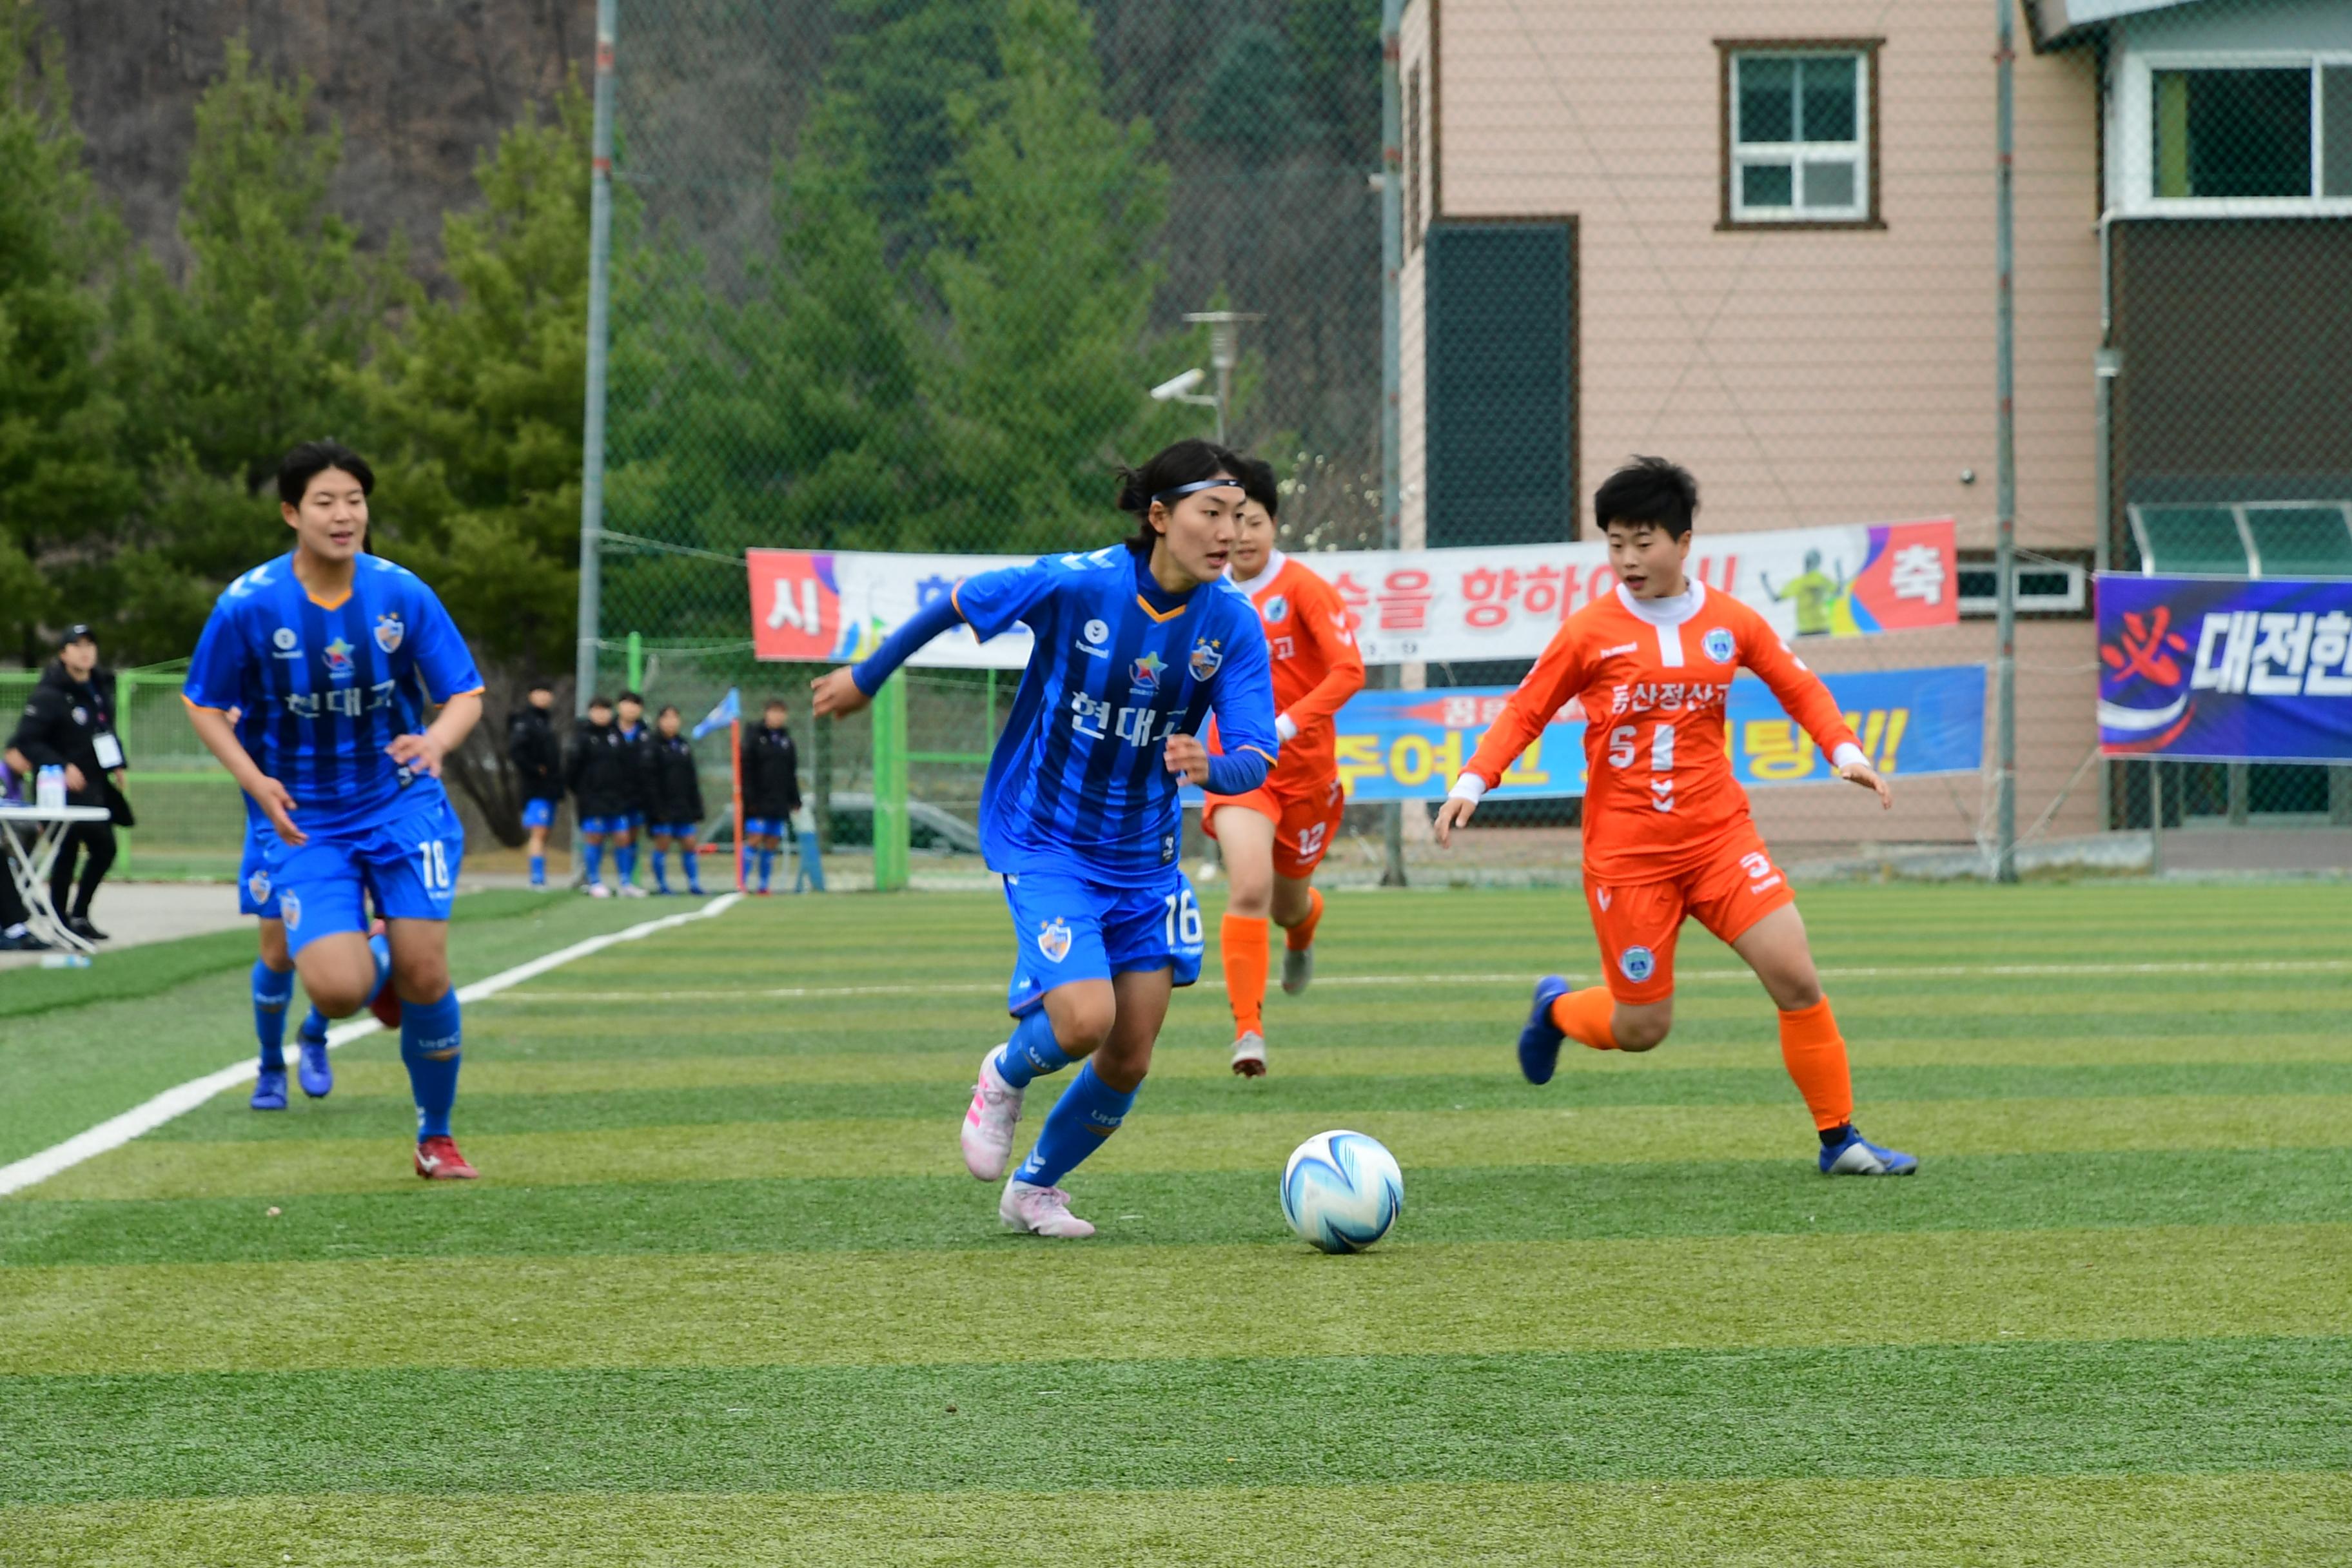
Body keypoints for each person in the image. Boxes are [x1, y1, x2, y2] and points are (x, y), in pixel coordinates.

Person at [813, 438, 1278, 1238]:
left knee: (1130, 1054)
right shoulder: (1076, 582)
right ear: (1160, 517)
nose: (1230, 532)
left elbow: (1256, 754)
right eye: (1212, 513)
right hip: (1047, 839)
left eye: (1240, 517)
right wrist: (867, 674)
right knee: (1083, 1020)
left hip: (1147, 860)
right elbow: (955, 602)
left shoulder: (1231, 624)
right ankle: (1001, 1074)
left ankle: (1035, 1187)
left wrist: (1213, 766)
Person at [1435, 456, 1916, 1177]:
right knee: (1642, 1028)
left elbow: (1800, 685)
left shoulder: (1731, 621)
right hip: (1628, 857)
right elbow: (1526, 707)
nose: (1627, 558)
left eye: (1644, 541)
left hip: (1720, 838)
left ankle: (1839, 1139)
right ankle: (1557, 1010)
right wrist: (1475, 778)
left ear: (1684, 541)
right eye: (1615, 542)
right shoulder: (1589, 631)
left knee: (1795, 974)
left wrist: (1845, 750)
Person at [183, 440, 488, 1180]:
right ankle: (374, 968)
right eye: (325, 501)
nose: (343, 514)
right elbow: (204, 703)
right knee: (339, 989)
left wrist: (438, 741)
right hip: (301, 816)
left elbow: (465, 693)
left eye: (354, 499)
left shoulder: (401, 593)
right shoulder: (248, 604)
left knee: (428, 971)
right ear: (292, 512)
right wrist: (255, 781)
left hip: (400, 803)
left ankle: (436, 1137)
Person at [1199, 458, 1364, 1075]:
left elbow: (1351, 672)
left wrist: (1288, 724)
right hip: (1240, 769)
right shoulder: (1207, 594)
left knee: (1286, 903)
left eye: (1253, 520)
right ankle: (1248, 1034)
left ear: (1274, 524)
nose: (1239, 534)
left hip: (1305, 774)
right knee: (1248, 888)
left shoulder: (1303, 589)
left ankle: (1304, 925)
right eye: (1227, 519)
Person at [226, 703, 396, 1112]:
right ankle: (270, 1066)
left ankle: (315, 1031)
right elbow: (216, 713)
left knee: (366, 947)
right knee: (278, 954)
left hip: (349, 819)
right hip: (278, 818)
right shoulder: (258, 653)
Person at [5, 625, 130, 941]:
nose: (85, 651)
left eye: (90, 644)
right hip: (59, 788)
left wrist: (117, 763)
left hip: (96, 784)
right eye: (77, 645)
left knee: (103, 849)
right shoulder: (50, 694)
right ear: (63, 653)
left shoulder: (99, 688)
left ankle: (78, 915)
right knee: (69, 850)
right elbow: (26, 742)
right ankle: (63, 920)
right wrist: (60, 766)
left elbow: (104, 731)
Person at [566, 696, 634, 897]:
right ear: (590, 712)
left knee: (622, 836)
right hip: (592, 798)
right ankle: (594, 881)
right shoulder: (582, 736)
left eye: (605, 710)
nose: (602, 714)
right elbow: (572, 769)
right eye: (597, 710)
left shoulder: (616, 735)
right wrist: (583, 791)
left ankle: (625, 882)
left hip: (616, 798)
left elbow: (625, 764)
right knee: (595, 837)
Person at [739, 699, 801, 895]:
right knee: (755, 839)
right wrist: (749, 800)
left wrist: (795, 799)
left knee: (772, 841)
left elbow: (791, 772)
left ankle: (763, 885)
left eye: (781, 713)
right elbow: (746, 771)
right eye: (774, 712)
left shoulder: (786, 742)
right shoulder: (754, 739)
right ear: (766, 713)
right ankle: (741, 883)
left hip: (779, 800)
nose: (777, 717)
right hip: (758, 800)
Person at [644, 704, 707, 896]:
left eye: (675, 718)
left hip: (683, 806)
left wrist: (696, 806)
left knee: (689, 843)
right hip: (662, 806)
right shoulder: (652, 746)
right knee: (663, 843)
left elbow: (691, 779)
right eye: (667, 718)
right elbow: (649, 780)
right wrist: (656, 808)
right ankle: (662, 885)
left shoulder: (683, 745)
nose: (671, 722)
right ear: (659, 721)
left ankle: (694, 883)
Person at [507, 684, 564, 888]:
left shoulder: (546, 720)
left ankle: (541, 876)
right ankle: (537, 879)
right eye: (539, 692)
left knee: (545, 833)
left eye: (547, 692)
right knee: (538, 832)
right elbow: (516, 751)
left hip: (549, 788)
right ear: (531, 695)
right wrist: (534, 769)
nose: (544, 697)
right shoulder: (525, 720)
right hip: (534, 789)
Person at [608, 691, 652, 896]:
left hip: (639, 794)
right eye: (627, 704)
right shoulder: (608, 732)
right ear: (619, 707)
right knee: (622, 836)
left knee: (633, 837)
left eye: (636, 705)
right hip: (615, 794)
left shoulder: (645, 734)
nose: (631, 709)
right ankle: (623, 880)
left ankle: (628, 881)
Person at [1761, 548, 1848, 638]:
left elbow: (1776, 599)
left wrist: (1765, 582)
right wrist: (1839, 571)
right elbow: (1840, 592)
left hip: (1806, 629)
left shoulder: (1799, 582)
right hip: (1821, 628)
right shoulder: (1822, 580)